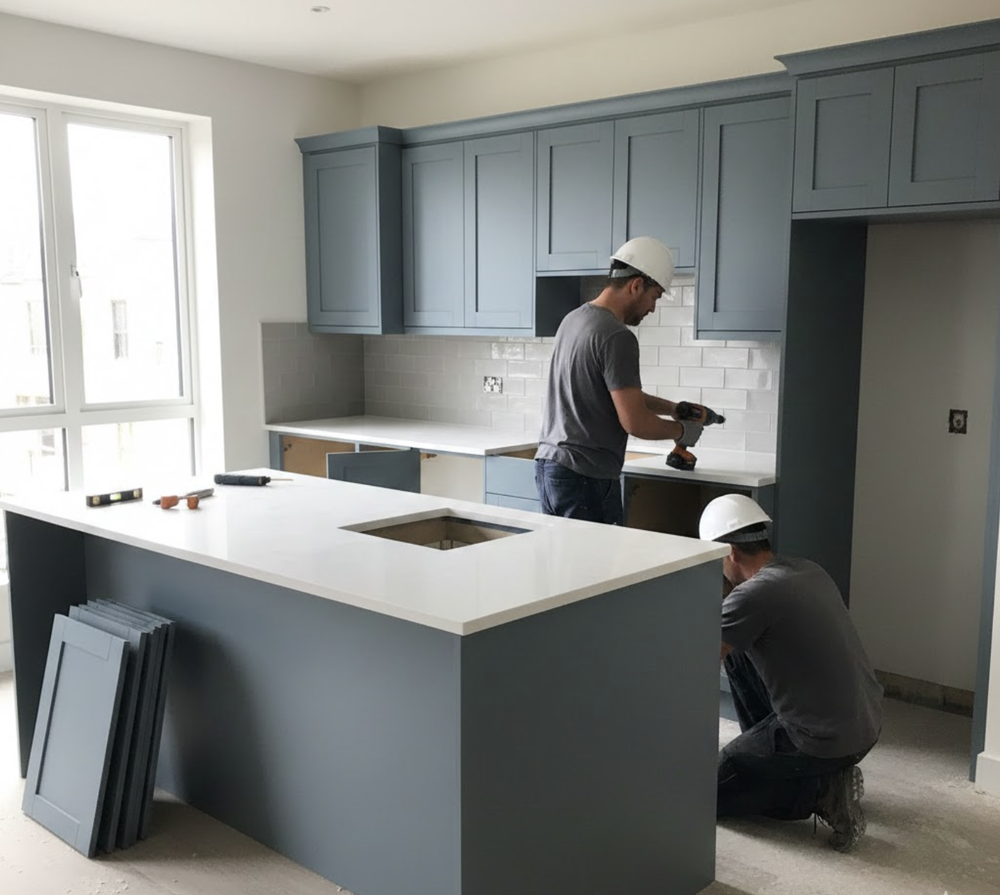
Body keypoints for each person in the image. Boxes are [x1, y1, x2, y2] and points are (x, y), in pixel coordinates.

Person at [699, 494, 883, 852]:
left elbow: (693, 661)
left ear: (731, 553)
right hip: (863, 723)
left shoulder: (753, 596)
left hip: (822, 738)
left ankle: (821, 792)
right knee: (738, 655)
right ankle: (798, 770)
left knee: (702, 794)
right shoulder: (806, 569)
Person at [534, 237, 704, 525]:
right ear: (636, 285)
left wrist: (673, 408)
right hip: (587, 478)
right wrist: (682, 432)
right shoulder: (617, 336)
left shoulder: (573, 320)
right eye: (655, 297)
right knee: (596, 567)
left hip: (552, 470)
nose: (652, 308)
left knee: (565, 565)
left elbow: (612, 391)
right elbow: (635, 422)